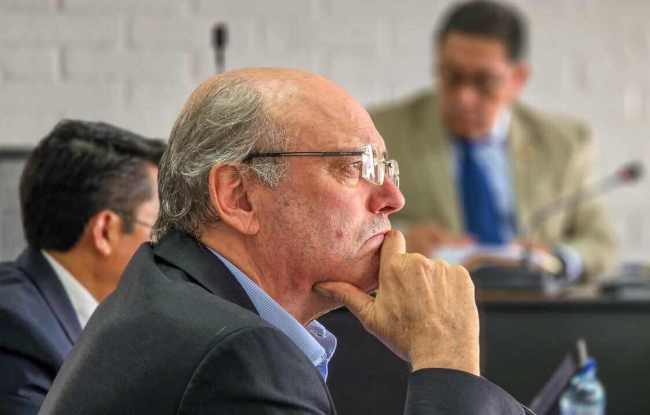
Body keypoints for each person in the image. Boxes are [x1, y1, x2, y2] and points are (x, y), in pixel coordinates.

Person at [38, 69, 531, 414]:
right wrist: (448, 361)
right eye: (355, 168)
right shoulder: (237, 356)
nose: (392, 197)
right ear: (239, 196)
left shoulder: (168, 293)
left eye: (386, 168)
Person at [370, 0, 616, 280]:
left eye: (484, 81)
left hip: (535, 309)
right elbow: (347, 225)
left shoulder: (565, 144)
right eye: (452, 76)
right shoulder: (381, 131)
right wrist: (401, 241)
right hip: (426, 300)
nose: (464, 97)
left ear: (518, 79)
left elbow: (600, 243)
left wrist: (555, 258)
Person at [0, 120, 165, 414]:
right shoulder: (15, 326)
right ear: (104, 231)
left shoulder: (101, 320)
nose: (166, 247)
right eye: (158, 229)